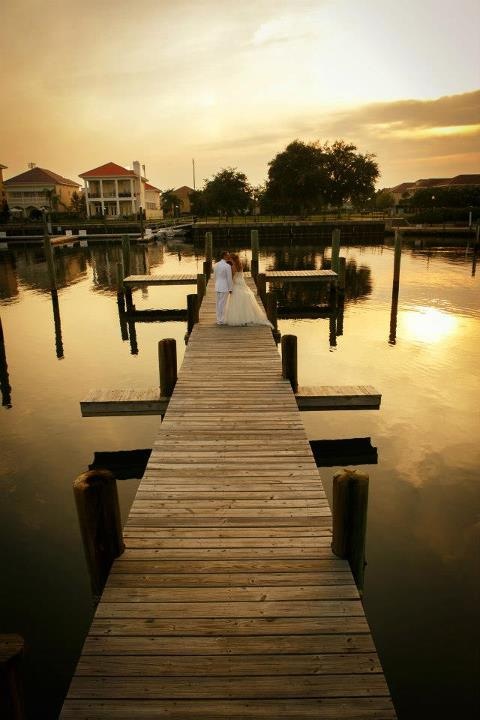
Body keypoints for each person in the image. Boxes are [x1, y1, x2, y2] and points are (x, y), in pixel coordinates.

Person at [224, 253, 273, 327]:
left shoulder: (232, 266)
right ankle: (246, 317)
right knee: (244, 299)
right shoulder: (240, 265)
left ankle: (240, 318)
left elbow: (232, 278)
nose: (228, 260)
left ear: (232, 259)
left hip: (237, 283)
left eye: (230, 258)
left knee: (236, 300)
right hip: (242, 282)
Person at [213, 251, 233, 324]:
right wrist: (230, 288)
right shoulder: (227, 266)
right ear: (224, 256)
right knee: (222, 304)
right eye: (228, 255)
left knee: (218, 303)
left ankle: (218, 319)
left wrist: (216, 284)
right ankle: (221, 320)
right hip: (224, 287)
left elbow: (214, 276)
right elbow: (229, 278)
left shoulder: (216, 265)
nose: (229, 256)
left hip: (217, 286)